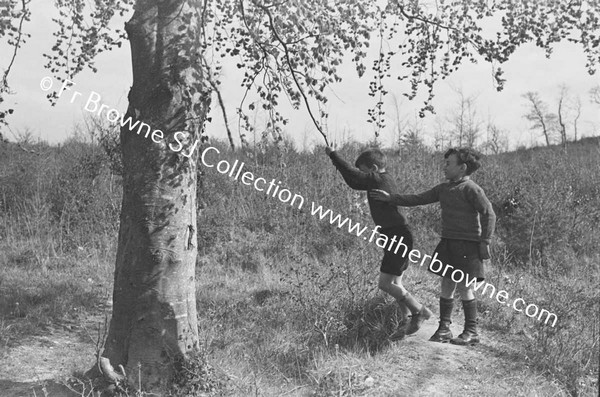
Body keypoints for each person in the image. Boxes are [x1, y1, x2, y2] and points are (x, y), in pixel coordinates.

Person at [370, 147, 496, 346]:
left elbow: (489, 213)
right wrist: (390, 198)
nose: (444, 167)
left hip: (468, 245)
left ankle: (471, 331)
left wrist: (485, 242)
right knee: (446, 284)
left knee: (465, 286)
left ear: (462, 168)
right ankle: (444, 328)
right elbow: (418, 199)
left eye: (448, 164)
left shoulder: (471, 189)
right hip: (448, 242)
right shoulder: (443, 189)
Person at [325, 146, 432, 340]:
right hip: (396, 234)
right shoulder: (383, 179)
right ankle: (404, 321)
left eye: (365, 171)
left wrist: (333, 155)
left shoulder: (377, 179)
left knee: (385, 283)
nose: (363, 175)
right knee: (396, 282)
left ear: (373, 168)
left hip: (396, 235)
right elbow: (354, 180)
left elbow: (352, 176)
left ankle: (419, 311)